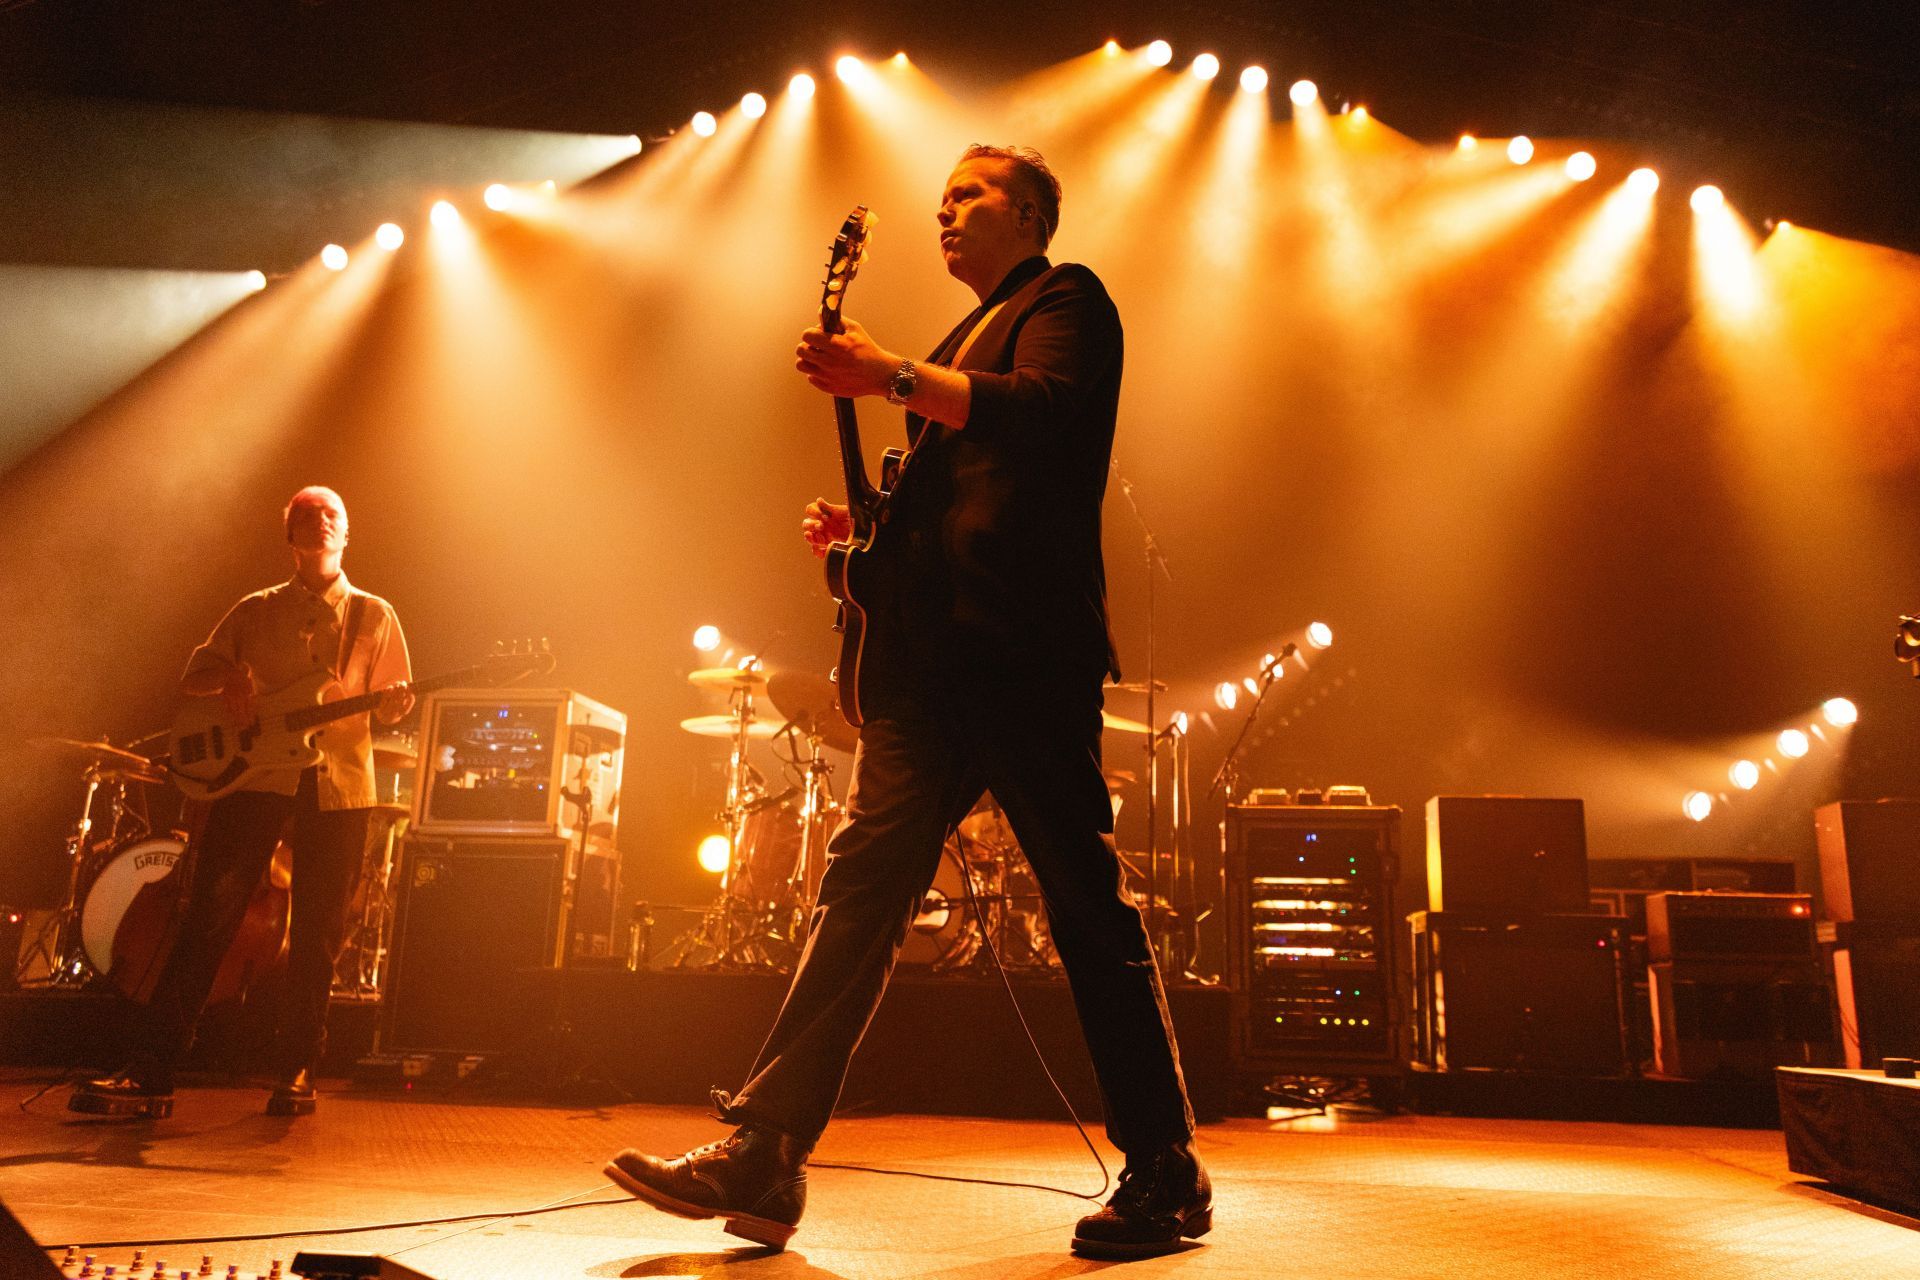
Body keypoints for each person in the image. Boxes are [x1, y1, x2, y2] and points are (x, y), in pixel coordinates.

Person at [606, 145, 1210, 1259]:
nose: (945, 213)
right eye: (939, 199)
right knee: (861, 889)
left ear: (1026, 213)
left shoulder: (1065, 298)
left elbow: (1041, 411)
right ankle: (767, 1147)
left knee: (1086, 905)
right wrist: (862, 545)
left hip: (1025, 656)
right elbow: (936, 519)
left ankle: (1168, 1169)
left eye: (969, 196)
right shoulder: (947, 348)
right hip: (933, 672)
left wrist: (887, 377)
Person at [70, 485, 412, 1118]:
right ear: (291, 537)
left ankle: (299, 1070)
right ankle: (153, 1070)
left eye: (330, 513)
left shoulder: (375, 615)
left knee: (319, 935)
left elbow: (394, 696)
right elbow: (193, 674)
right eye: (306, 516)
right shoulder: (253, 611)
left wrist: (395, 704)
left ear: (346, 533)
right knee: (208, 917)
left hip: (339, 781)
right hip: (254, 776)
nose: (319, 522)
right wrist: (228, 678)